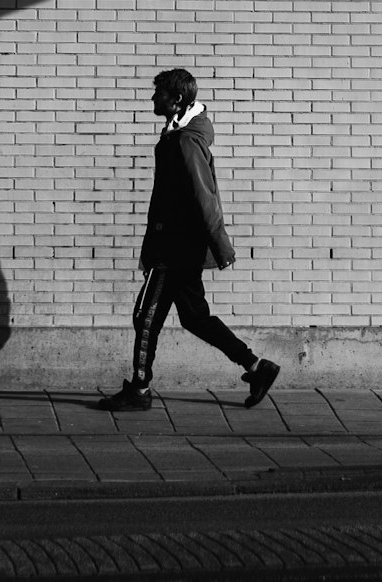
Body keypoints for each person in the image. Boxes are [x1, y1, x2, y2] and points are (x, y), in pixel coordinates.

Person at [101, 68, 280, 412]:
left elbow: (204, 196)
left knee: (146, 317)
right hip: (179, 245)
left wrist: (220, 242)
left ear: (177, 100)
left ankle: (140, 390)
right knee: (195, 318)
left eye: (160, 95)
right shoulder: (178, 135)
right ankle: (257, 367)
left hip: (174, 247)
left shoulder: (185, 141)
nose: (154, 99)